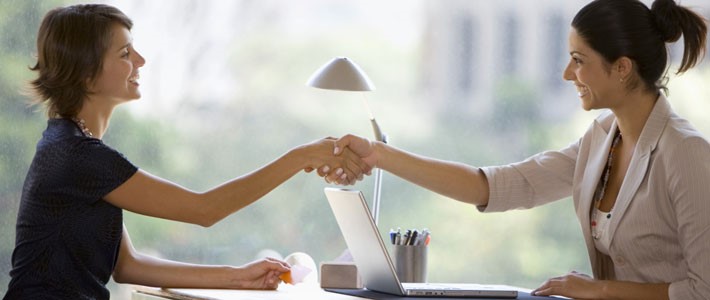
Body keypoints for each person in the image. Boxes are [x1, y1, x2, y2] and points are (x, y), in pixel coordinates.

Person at [333, 0, 709, 299]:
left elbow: (704, 290)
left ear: (623, 68)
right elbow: (495, 186)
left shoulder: (686, 153)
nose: (566, 73)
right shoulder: (601, 139)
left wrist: (601, 290)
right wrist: (379, 156)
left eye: (579, 61)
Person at [4, 4, 369, 299]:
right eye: (126, 53)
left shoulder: (72, 146)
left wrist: (238, 277)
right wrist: (303, 156)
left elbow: (128, 266)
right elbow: (204, 209)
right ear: (86, 74)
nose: (141, 62)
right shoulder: (78, 156)